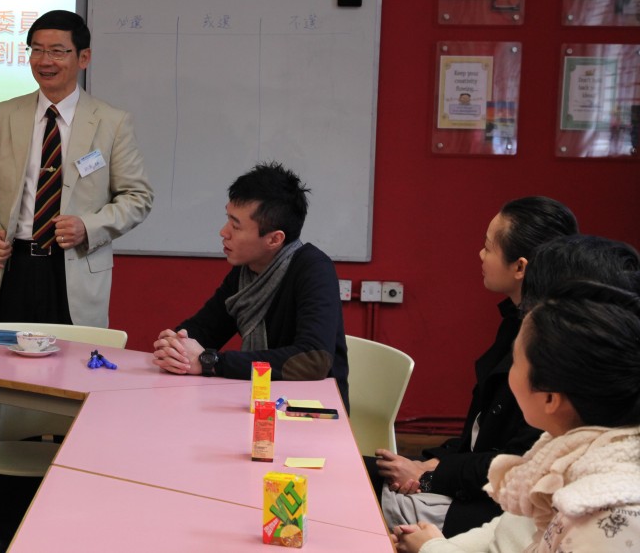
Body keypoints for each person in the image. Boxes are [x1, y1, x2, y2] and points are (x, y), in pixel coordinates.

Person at [374, 197, 578, 536]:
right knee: (362, 471)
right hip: (468, 479)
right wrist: (432, 464)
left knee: (356, 497)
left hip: (493, 510)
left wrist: (430, 474)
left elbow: (518, 461)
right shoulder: (515, 322)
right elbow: (482, 439)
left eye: (488, 247)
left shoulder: (552, 350)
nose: (481, 255)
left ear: (520, 267)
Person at [392, 280, 640, 552]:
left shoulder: (611, 517)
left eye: (515, 360)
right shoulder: (560, 449)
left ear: (550, 398)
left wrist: (431, 548)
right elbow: (505, 533)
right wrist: (435, 545)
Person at [0, 9, 154, 328]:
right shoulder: (4, 115)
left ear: (83, 57)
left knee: (72, 357)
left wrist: (88, 227)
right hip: (13, 266)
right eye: (37, 50)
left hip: (74, 267)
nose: (44, 61)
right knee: (3, 357)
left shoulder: (112, 122)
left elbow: (138, 197)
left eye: (57, 51)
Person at [151, 162, 349, 410]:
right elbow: (205, 328)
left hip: (310, 410)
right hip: (256, 400)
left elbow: (312, 360)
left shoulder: (314, 269)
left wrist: (210, 362)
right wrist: (175, 345)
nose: (223, 232)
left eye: (236, 226)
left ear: (274, 239)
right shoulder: (246, 271)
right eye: (227, 219)